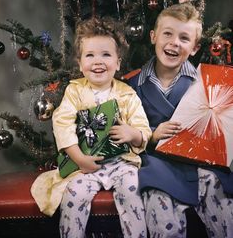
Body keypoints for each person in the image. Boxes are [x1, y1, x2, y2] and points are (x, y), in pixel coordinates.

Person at [31, 17, 152, 238]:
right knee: (74, 195)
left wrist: (133, 134)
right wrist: (79, 158)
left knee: (133, 190)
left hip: (121, 163)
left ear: (118, 62)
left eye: (106, 55)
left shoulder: (127, 94)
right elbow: (62, 124)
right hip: (85, 164)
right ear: (79, 63)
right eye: (90, 55)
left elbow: (143, 129)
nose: (98, 61)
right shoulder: (75, 91)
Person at [128, 3, 233, 238]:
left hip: (202, 164)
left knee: (227, 213)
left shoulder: (206, 84)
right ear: (153, 37)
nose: (175, 42)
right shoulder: (131, 87)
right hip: (158, 165)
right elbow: (126, 130)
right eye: (168, 34)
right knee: (163, 218)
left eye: (184, 38)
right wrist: (153, 134)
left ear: (194, 48)